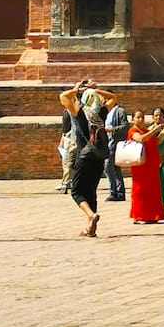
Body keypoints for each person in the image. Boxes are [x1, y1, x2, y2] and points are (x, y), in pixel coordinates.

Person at [59, 83, 109, 237]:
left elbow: (63, 97)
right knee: (91, 192)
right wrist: (96, 89)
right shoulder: (101, 113)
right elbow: (113, 97)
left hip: (84, 157)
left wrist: (78, 89)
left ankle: (90, 215)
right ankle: (90, 228)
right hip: (99, 159)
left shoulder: (80, 113)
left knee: (77, 191)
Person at [127, 110, 164, 224]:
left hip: (151, 166)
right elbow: (141, 139)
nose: (141, 119)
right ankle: (139, 215)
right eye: (138, 117)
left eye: (142, 117)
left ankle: (152, 215)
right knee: (140, 191)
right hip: (141, 166)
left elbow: (156, 141)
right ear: (133, 119)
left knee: (152, 191)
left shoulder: (145, 130)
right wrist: (154, 130)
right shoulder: (133, 131)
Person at [103, 96, 129, 201]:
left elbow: (125, 125)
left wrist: (112, 130)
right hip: (108, 142)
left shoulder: (119, 111)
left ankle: (114, 192)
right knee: (114, 168)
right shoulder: (106, 112)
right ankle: (120, 192)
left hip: (115, 142)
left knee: (108, 166)